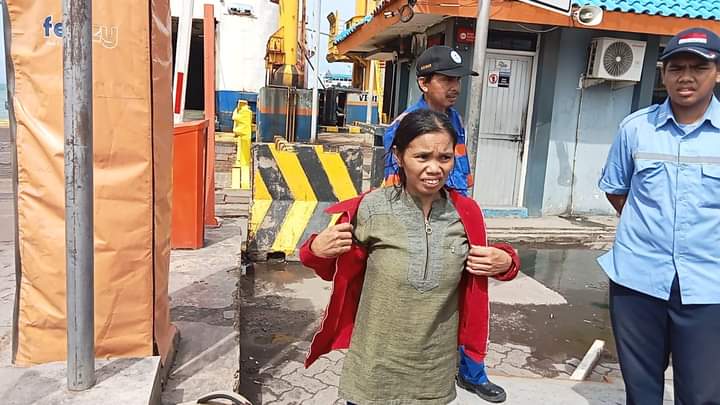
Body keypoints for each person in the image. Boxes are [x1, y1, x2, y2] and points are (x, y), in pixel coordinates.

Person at [300, 109, 520, 404]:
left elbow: (495, 265)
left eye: (444, 158)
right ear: (399, 155)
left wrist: (506, 262)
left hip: (433, 373)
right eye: (423, 157)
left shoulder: (465, 213)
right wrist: (316, 249)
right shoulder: (371, 209)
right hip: (373, 371)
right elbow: (327, 267)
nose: (435, 168)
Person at [598, 27, 720, 405]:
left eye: (698, 68)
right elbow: (617, 190)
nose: (686, 76)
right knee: (642, 391)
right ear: (663, 73)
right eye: (676, 67)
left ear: (717, 72)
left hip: (708, 284)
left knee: (703, 395)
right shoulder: (635, 129)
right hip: (638, 281)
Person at [383, 45, 477, 196]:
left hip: (454, 204)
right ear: (423, 84)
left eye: (457, 80)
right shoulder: (405, 124)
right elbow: (394, 183)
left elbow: (460, 166)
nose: (456, 88)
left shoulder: (455, 119)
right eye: (447, 80)